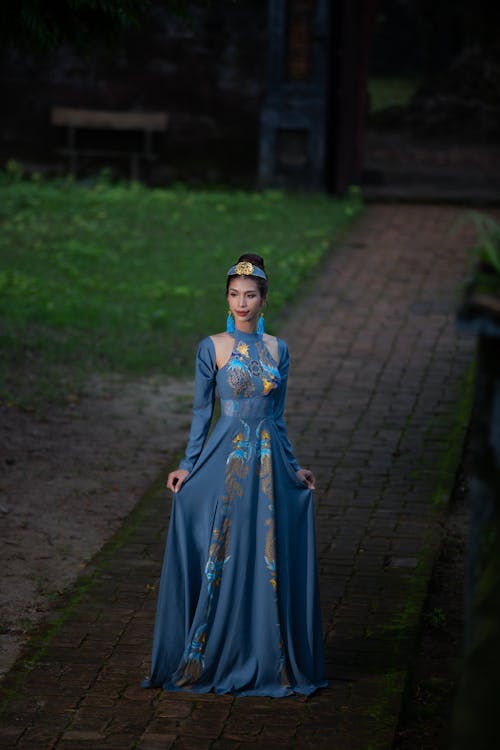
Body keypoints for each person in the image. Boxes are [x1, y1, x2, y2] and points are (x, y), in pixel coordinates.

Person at [142, 253, 327, 697]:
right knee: (222, 547)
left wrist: (293, 465)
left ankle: (264, 650)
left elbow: (277, 418)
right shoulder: (213, 347)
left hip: (268, 462)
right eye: (234, 295)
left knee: (261, 550)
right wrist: (187, 466)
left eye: (249, 296)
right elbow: (202, 414)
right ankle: (213, 647)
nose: (241, 303)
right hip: (226, 460)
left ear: (263, 300)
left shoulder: (279, 350)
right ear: (227, 298)